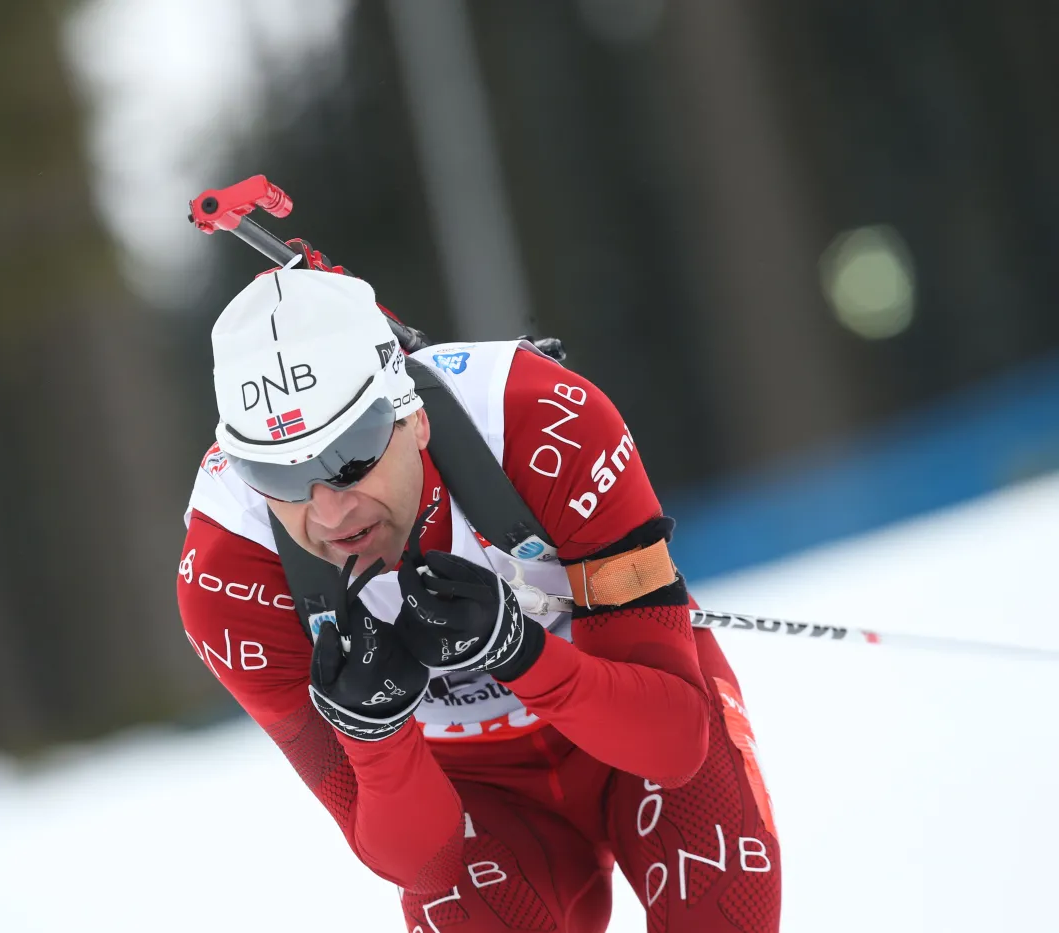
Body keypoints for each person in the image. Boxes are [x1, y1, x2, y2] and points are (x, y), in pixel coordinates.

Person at [177, 264, 781, 932]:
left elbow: (671, 743)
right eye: (278, 473)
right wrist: (373, 737)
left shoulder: (541, 419)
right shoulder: (227, 572)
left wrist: (520, 652)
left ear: (414, 418)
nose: (328, 511)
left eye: (349, 456)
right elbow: (421, 865)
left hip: (626, 709)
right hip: (473, 797)